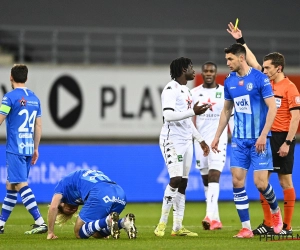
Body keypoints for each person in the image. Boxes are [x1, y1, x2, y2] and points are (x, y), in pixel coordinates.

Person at [227, 22, 300, 235]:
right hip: (265, 136)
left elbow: (296, 117)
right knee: (262, 181)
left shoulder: (290, 87)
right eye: (264, 67)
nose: (263, 69)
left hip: (282, 138)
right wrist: (240, 41)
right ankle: (268, 223)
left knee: (285, 180)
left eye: (268, 67)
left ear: (279, 68)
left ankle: (286, 225)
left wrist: (288, 141)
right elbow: (251, 62)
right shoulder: (263, 81)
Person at [211, 44, 283, 238]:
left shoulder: (260, 78)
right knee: (236, 181)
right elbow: (226, 110)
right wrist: (217, 136)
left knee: (260, 184)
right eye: (226, 59)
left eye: (230, 59)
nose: (227, 63)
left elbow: (272, 108)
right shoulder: (229, 81)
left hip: (259, 140)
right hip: (239, 140)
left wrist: (263, 135)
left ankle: (276, 212)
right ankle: (246, 227)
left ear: (241, 58)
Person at [154, 57, 210, 237]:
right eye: (191, 67)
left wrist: (200, 139)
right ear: (182, 69)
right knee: (175, 179)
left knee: (183, 183)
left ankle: (177, 227)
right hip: (172, 140)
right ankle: (161, 223)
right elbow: (168, 116)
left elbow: (186, 119)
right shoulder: (170, 89)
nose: (194, 71)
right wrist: (193, 111)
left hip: (187, 141)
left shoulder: (187, 91)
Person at [0, 64, 47, 235]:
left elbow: (0, 119)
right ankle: (0, 224)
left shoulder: (9, 97)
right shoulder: (35, 99)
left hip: (15, 148)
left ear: (11, 77)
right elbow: (38, 125)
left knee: (20, 184)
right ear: (26, 78)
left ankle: (40, 221)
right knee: (11, 185)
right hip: (28, 148)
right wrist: (36, 149)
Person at [191, 61, 233, 230]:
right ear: (202, 73)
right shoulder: (193, 93)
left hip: (219, 140)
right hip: (200, 142)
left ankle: (209, 215)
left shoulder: (225, 92)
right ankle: (215, 219)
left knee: (215, 175)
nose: (208, 73)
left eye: (211, 71)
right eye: (206, 71)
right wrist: (198, 139)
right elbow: (189, 119)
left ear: (216, 73)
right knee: (206, 180)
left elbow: (231, 116)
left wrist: (234, 137)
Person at [47, 169, 137, 240]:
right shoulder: (80, 185)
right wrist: (105, 232)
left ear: (62, 204)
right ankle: (124, 222)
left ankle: (108, 220)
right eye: (71, 212)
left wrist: (50, 232)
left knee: (78, 232)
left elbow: (53, 207)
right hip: (120, 194)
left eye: (68, 209)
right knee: (94, 232)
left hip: (101, 193)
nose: (72, 210)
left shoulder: (62, 185)